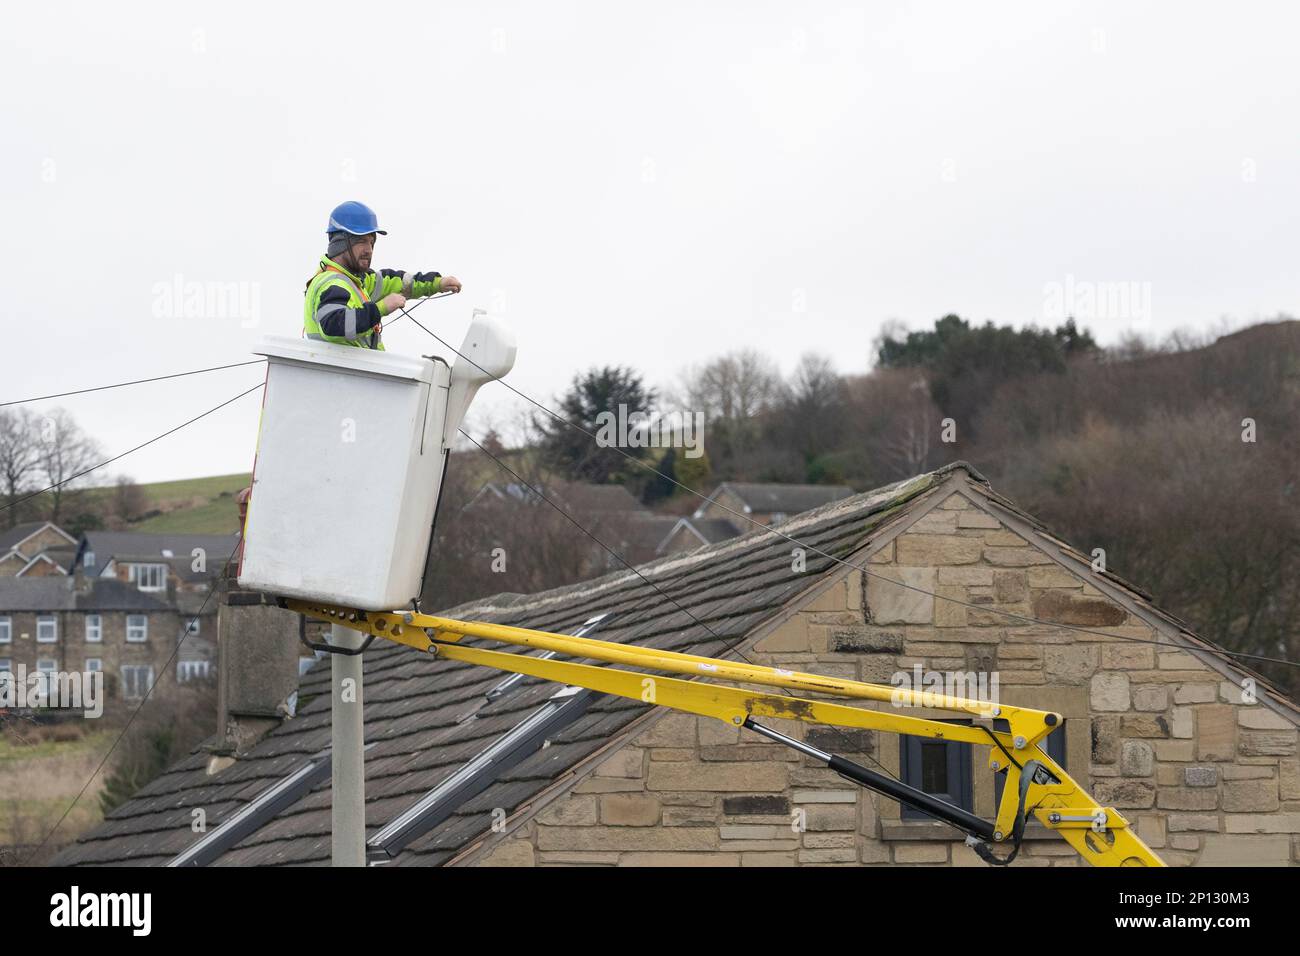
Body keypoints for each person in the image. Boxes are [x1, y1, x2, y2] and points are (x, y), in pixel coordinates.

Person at [303, 201, 461, 349]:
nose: (369, 250)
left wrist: (437, 283)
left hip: (350, 376)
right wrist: (380, 309)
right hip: (340, 377)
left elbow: (396, 281)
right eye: (361, 241)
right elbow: (332, 326)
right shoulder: (333, 284)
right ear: (340, 243)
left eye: (371, 242)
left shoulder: (357, 282)